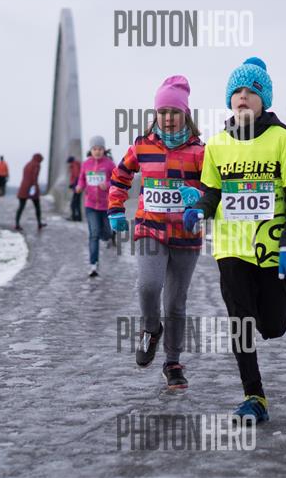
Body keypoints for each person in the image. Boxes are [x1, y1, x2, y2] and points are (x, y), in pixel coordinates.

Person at [182, 57, 286, 423]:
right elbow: (212, 192)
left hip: (270, 247)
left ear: (263, 100)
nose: (243, 96)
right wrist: (199, 211)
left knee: (272, 326)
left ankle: (279, 294)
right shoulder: (217, 144)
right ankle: (254, 396)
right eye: (237, 91)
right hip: (230, 248)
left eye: (251, 91)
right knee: (239, 320)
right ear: (229, 100)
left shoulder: (281, 139)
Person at [108, 75, 205, 390]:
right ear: (156, 114)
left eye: (175, 112)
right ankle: (151, 329)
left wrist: (198, 196)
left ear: (185, 114)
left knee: (175, 302)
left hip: (186, 235)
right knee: (149, 286)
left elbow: (213, 187)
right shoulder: (142, 146)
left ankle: (172, 362)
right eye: (163, 111)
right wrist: (115, 209)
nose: (168, 117)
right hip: (150, 229)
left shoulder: (200, 151)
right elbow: (120, 175)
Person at [75, 136, 116, 277]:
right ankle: (93, 264)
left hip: (106, 205)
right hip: (90, 205)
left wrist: (108, 184)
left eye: (100, 149)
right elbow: (82, 178)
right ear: (91, 150)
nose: (97, 151)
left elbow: (118, 179)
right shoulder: (86, 164)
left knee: (107, 233)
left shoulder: (109, 164)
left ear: (104, 150)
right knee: (93, 234)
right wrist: (79, 186)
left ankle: (108, 238)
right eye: (94, 149)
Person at [15, 153, 47, 231]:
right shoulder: (37, 165)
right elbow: (34, 177)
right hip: (31, 188)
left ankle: (17, 224)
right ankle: (39, 223)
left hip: (23, 187)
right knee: (37, 206)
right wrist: (36, 188)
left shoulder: (28, 164)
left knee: (21, 207)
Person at [67, 155, 82, 221]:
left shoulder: (74, 165)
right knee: (77, 202)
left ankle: (74, 217)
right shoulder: (76, 164)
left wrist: (73, 184)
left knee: (73, 203)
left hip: (76, 185)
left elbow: (76, 175)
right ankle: (78, 217)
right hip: (78, 185)